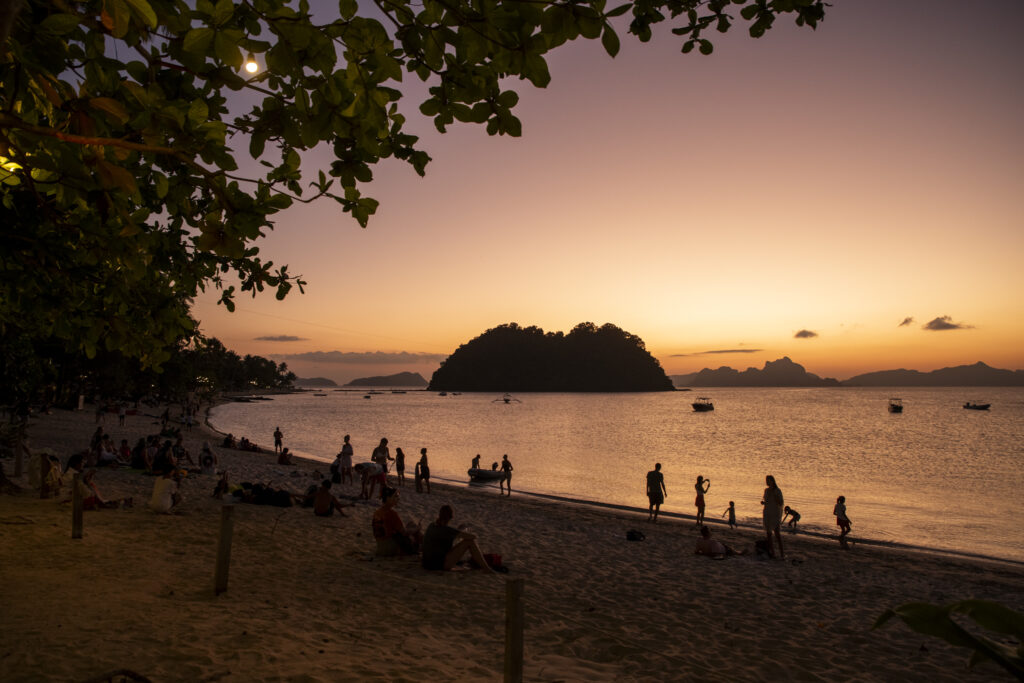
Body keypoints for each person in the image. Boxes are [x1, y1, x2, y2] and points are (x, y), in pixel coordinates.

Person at [421, 504, 494, 572]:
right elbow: (473, 537)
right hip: (438, 565)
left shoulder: (432, 525)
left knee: (464, 542)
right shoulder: (446, 529)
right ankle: (487, 569)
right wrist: (460, 532)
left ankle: (485, 567)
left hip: (426, 563)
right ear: (449, 517)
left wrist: (457, 532)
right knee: (469, 542)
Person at [371, 487, 421, 556]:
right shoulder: (391, 513)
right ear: (388, 498)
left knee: (410, 525)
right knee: (415, 531)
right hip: (389, 548)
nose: (398, 499)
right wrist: (417, 529)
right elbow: (404, 532)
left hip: (380, 546)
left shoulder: (377, 512)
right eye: (395, 496)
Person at [761, 474, 785, 559]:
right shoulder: (766, 490)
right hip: (767, 512)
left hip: (775, 513)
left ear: (773, 481)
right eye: (766, 480)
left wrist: (774, 495)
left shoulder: (777, 491)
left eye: (769, 480)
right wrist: (763, 502)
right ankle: (773, 553)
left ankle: (782, 554)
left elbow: (780, 503)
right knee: (768, 534)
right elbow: (766, 500)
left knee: (777, 534)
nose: (767, 482)